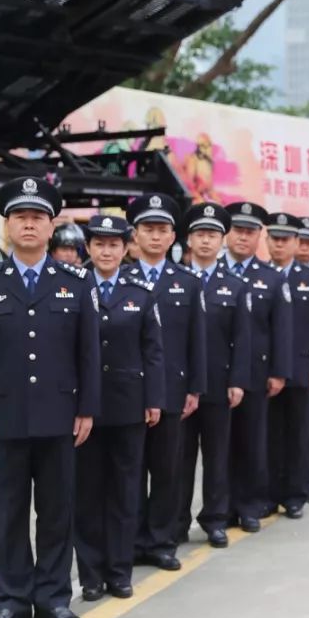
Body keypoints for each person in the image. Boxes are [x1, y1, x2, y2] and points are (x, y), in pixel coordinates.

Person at [0, 176, 101, 618]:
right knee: (10, 512)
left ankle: (53, 597)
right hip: (6, 416)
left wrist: (87, 408)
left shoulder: (75, 282)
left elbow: (88, 354)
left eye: (37, 217)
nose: (28, 224)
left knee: (56, 511)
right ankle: (11, 599)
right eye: (20, 217)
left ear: (50, 226)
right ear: (8, 225)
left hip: (60, 415)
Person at [75, 215, 164, 602]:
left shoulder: (141, 291)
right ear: (88, 248)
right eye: (99, 244)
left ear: (127, 248)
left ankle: (119, 571)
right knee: (87, 492)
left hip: (129, 405)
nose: (106, 251)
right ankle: (91, 575)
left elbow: (153, 350)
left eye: (114, 244)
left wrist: (154, 399)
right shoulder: (73, 287)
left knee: (125, 491)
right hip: (85, 407)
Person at [123, 194, 208, 571]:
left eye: (162, 230)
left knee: (166, 470)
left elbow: (197, 340)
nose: (155, 237)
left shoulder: (186, 282)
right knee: (129, 469)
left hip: (172, 391)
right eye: (148, 229)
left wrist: (195, 388)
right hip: (128, 392)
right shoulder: (120, 279)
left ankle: (161, 541)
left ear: (173, 236)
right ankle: (130, 540)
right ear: (135, 235)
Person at [178, 204, 251, 548]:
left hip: (219, 385)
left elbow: (243, 338)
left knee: (216, 457)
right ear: (189, 240)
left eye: (212, 235)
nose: (206, 241)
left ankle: (215, 519)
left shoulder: (234, 285)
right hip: (180, 387)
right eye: (200, 234)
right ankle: (176, 520)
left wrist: (237, 380)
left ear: (222, 241)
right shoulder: (175, 280)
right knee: (179, 459)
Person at [222, 201, 293, 530]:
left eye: (250, 232)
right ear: (228, 233)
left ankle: (248, 506)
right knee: (218, 447)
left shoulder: (271, 278)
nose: (243, 237)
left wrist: (279, 371)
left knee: (252, 443)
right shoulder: (209, 272)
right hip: (217, 373)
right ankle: (220, 508)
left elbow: (282, 329)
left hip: (255, 373)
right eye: (238, 230)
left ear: (258, 237)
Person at [265, 213, 309, 518]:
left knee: (298, 434)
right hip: (265, 372)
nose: (279, 245)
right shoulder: (257, 276)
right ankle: (269, 494)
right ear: (267, 241)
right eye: (274, 239)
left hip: (302, 370)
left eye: (285, 240)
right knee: (267, 436)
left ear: (296, 242)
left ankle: (295, 494)